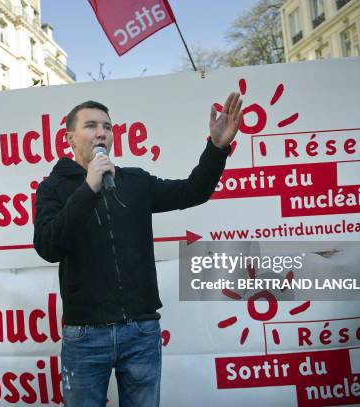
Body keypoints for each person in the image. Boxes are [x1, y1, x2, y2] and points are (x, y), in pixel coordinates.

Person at [33, 92, 243, 407]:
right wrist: (89, 188)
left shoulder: (134, 181)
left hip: (141, 331)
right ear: (69, 138)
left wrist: (217, 148)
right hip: (86, 336)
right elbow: (49, 246)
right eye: (90, 126)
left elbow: (193, 191)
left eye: (107, 126)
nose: (101, 132)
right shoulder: (53, 188)